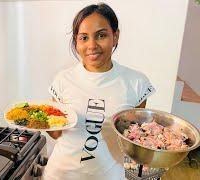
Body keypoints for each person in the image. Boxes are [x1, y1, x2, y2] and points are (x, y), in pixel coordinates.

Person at [43, 3, 156, 180]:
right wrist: (40, 121)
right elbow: (57, 133)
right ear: (76, 41)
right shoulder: (62, 80)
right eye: (84, 38)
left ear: (115, 36)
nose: (92, 45)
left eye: (101, 35)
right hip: (61, 175)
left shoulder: (136, 83)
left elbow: (132, 142)